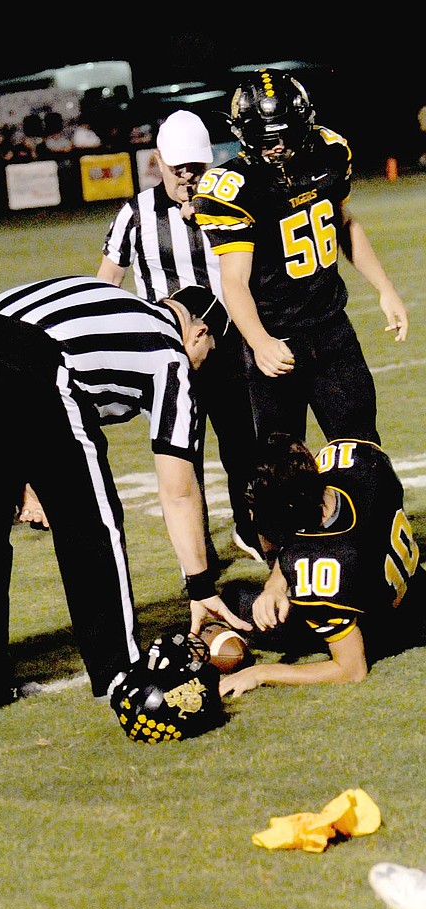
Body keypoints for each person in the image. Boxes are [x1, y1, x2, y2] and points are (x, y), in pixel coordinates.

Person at [0, 276, 251, 716]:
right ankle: (120, 675)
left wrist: (26, 478)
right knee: (92, 526)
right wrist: (199, 585)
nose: (204, 363)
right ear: (198, 332)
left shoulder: (119, 305)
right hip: (33, 362)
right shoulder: (170, 355)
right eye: (209, 351)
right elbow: (178, 489)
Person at [194, 69, 409, 448]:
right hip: (277, 338)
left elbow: (344, 222)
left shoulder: (329, 150)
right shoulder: (234, 187)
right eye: (265, 137)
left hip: (333, 331)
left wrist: (385, 289)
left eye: (283, 134)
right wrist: (260, 341)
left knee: (361, 451)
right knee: (283, 468)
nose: (275, 147)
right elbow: (234, 281)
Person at [98, 109, 264, 566]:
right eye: (178, 168)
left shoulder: (230, 202)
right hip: (168, 359)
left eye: (196, 167)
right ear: (159, 161)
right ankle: (199, 552)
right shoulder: (135, 214)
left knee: (242, 446)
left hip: (229, 347)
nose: (187, 177)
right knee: (182, 455)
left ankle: (249, 529)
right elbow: (107, 281)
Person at [217, 433, 426, 698]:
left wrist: (259, 674)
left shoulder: (324, 566)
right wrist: (275, 586)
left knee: (236, 607)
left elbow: (350, 670)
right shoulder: (361, 462)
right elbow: (306, 535)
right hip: (413, 585)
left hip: (385, 624)